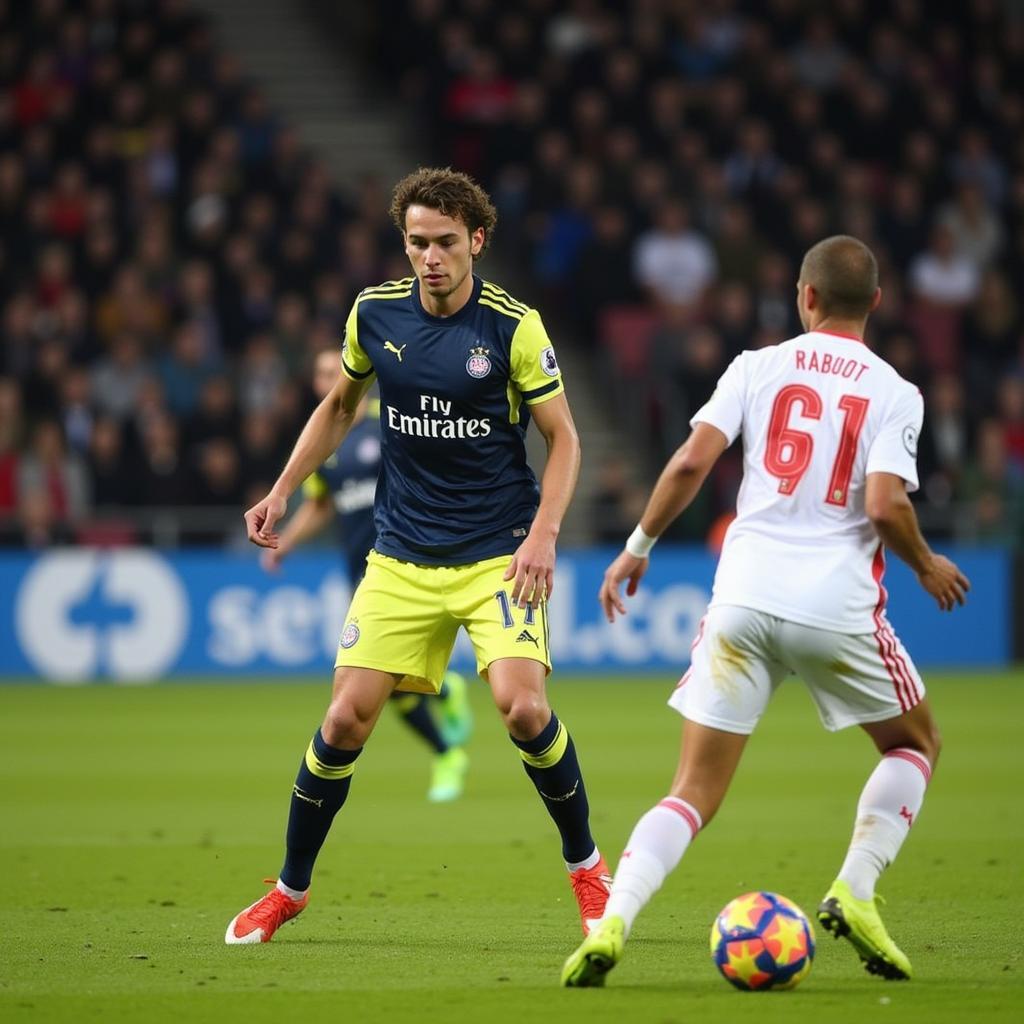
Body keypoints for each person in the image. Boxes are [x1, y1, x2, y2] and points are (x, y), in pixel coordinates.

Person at [562, 236, 970, 987]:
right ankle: (856, 887)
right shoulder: (896, 392)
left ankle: (613, 919)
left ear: (804, 296)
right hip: (835, 609)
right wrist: (928, 563)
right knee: (915, 743)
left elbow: (689, 461)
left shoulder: (756, 367)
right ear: (876, 304)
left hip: (741, 600)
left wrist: (638, 545)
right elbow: (885, 506)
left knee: (690, 791)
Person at [227, 166, 611, 944]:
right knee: (343, 720)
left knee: (524, 708)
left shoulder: (513, 327)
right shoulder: (374, 313)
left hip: (496, 554)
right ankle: (290, 889)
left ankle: (588, 870)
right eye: (415, 243)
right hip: (400, 555)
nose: (428, 258)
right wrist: (283, 489)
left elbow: (565, 439)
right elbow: (340, 406)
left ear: (475, 240)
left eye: (443, 243)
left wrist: (544, 534)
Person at [261, 347, 473, 802]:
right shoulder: (327, 444)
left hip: (407, 566)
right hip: (361, 573)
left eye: (332, 369)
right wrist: (287, 543)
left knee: (381, 683)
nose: (325, 380)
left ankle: (447, 750)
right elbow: (321, 505)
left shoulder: (392, 419)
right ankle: (447, 699)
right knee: (382, 686)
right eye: (317, 374)